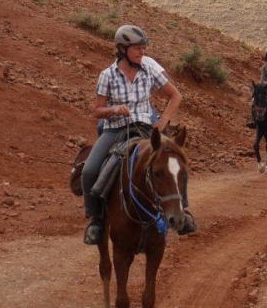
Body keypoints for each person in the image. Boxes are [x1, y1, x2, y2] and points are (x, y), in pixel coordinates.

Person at [81, 24, 196, 244]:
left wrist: (162, 120)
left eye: (143, 48)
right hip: (116, 128)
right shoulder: (107, 75)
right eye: (137, 48)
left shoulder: (149, 69)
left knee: (175, 163)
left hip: (147, 128)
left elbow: (176, 96)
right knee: (89, 170)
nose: (142, 52)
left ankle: (184, 212)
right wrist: (114, 109)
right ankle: (96, 221)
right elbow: (97, 110)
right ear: (123, 49)